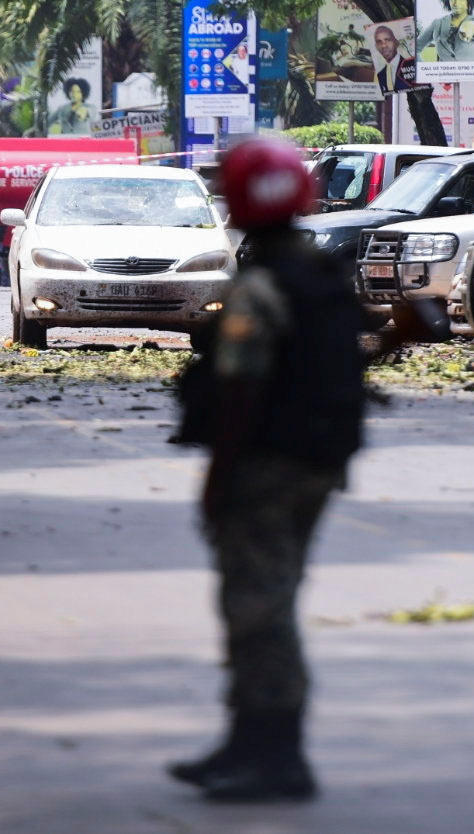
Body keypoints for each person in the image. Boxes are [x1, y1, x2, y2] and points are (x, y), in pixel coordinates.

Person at [168, 138, 366, 802]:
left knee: (257, 608)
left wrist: (218, 476)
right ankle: (245, 741)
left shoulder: (259, 284)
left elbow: (238, 390)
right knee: (269, 598)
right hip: (318, 461)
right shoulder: (320, 272)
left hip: (264, 465)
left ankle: (274, 754)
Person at [372, 24, 416, 94]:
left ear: (396, 42)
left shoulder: (412, 66)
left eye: (388, 40)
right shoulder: (380, 75)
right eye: (379, 42)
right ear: (376, 47)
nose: (384, 45)